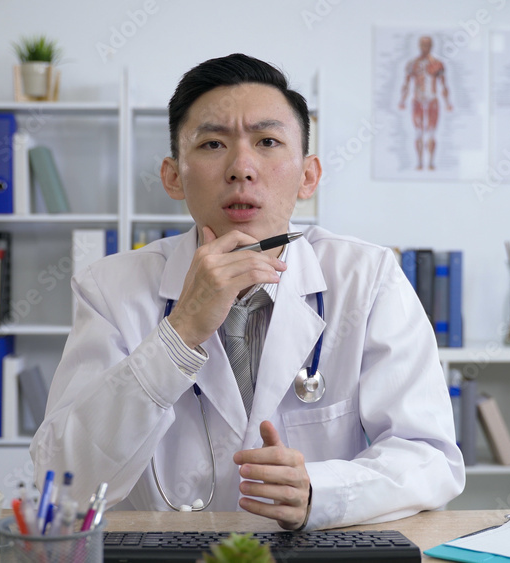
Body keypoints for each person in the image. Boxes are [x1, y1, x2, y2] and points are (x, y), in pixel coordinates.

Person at [31, 53, 464, 531]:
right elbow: (60, 482)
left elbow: (430, 457)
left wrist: (320, 492)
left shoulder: (368, 277)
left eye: (268, 141)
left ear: (309, 176)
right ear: (174, 176)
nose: (242, 167)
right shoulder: (110, 289)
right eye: (213, 143)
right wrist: (181, 333)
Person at [398, 36, 453, 170]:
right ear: (419, 45)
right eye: (422, 45)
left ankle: (431, 163)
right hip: (417, 100)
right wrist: (402, 100)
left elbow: (444, 85)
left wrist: (447, 103)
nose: (424, 48)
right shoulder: (412, 64)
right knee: (418, 132)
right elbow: (406, 84)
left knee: (432, 133)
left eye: (427, 45)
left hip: (432, 100)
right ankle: (419, 162)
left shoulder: (437, 64)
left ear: (431, 46)